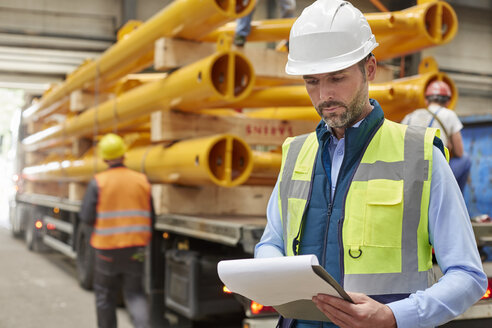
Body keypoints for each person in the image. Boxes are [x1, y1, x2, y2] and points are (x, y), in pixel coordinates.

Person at [254, 1, 487, 328]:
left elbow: (468, 275)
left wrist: (394, 316)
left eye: (337, 78)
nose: (324, 96)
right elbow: (271, 243)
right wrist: (270, 270)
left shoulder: (420, 155)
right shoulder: (295, 153)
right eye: (312, 81)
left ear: (371, 69)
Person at [79, 133, 153, 328]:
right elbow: (151, 217)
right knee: (135, 294)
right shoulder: (142, 180)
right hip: (136, 249)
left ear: (104, 158)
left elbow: (86, 217)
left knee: (105, 297)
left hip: (107, 251)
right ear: (124, 155)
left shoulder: (99, 182)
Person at [401, 81, 472, 192]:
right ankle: (454, 200)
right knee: (465, 159)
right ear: (448, 101)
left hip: (409, 170)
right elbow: (459, 152)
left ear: (426, 100)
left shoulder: (410, 116)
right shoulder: (449, 115)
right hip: (434, 173)